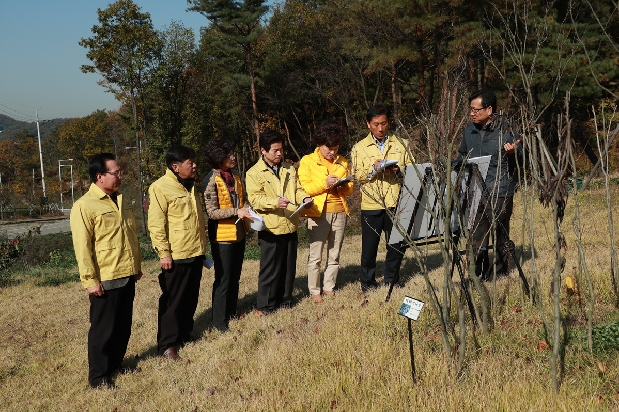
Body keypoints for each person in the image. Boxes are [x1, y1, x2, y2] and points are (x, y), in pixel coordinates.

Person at [70, 153, 143, 388]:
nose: (120, 176)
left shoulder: (120, 199)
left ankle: (115, 364)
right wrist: (90, 280)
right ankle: (99, 376)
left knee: (123, 325)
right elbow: (83, 247)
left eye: (120, 172)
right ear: (99, 176)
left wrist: (136, 266)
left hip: (126, 272)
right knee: (103, 329)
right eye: (116, 173)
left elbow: (130, 236)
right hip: (106, 276)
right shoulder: (84, 206)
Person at [148, 145, 207, 360]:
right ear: (175, 167)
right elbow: (156, 224)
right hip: (176, 254)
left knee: (190, 297)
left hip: (195, 250)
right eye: (189, 162)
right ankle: (167, 344)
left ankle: (184, 333)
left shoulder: (190, 186)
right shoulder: (160, 187)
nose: (194, 165)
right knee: (173, 301)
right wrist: (164, 253)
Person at [457, 89, 522, 280]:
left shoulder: (506, 129)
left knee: (500, 232)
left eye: (476, 110)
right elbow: (462, 154)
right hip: (475, 190)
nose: (472, 113)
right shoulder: (469, 131)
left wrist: (513, 153)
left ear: (489, 109)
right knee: (477, 234)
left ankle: (501, 273)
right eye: (471, 109)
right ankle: (478, 272)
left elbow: (521, 157)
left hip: (500, 189)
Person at [245, 129, 312, 315]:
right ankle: (265, 305)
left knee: (289, 267)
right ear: (263, 151)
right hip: (271, 227)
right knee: (270, 269)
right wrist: (275, 202)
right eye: (275, 150)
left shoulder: (289, 169)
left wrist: (304, 198)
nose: (279, 153)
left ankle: (285, 301)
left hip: (290, 222)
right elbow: (256, 200)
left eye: (281, 149)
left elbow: (297, 189)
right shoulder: (254, 173)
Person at [351, 104, 413, 291]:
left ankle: (392, 280)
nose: (380, 128)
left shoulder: (402, 144)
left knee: (395, 245)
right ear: (368, 124)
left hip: (396, 202)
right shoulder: (359, 148)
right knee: (369, 248)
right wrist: (373, 169)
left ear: (389, 122)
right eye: (376, 124)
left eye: (384, 123)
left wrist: (398, 171)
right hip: (371, 204)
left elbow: (412, 169)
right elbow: (357, 174)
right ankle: (368, 283)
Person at [298, 124, 354, 304]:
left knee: (335, 253)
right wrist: (324, 183)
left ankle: (329, 287)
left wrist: (344, 186)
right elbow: (304, 187)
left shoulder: (343, 162)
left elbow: (350, 189)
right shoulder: (307, 161)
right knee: (316, 255)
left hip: (340, 212)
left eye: (336, 149)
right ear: (320, 144)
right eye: (329, 148)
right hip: (317, 213)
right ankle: (314, 291)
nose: (332, 152)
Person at [201, 140, 253, 332]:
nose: (233, 157)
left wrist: (245, 208)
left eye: (233, 154)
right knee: (223, 280)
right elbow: (212, 212)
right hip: (222, 238)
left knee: (235, 277)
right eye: (229, 155)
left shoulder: (236, 176)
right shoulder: (211, 180)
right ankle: (219, 322)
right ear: (219, 158)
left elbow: (242, 199)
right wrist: (235, 211)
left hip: (239, 233)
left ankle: (232, 312)